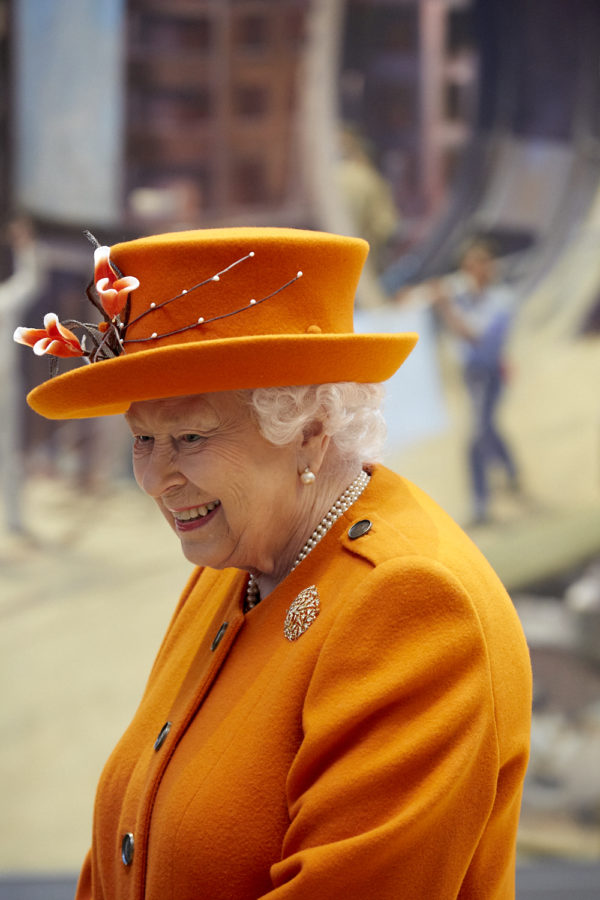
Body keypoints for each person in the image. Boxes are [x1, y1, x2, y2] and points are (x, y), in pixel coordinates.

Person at [15, 227, 531, 899]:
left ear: (309, 431)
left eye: (191, 438)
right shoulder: (230, 568)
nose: (155, 478)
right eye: (142, 439)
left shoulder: (412, 604)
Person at [432, 238, 520, 525]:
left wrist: (446, 307)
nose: (474, 271)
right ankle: (510, 471)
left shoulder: (502, 300)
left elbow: (475, 335)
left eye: (479, 264)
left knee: (477, 437)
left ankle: (481, 503)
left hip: (491, 373)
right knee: (488, 428)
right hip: (471, 374)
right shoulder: (465, 298)